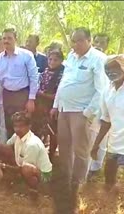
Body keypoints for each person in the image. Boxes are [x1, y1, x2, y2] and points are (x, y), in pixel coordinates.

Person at [50, 27, 107, 213]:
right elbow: (64, 82)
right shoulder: (72, 57)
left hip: (81, 112)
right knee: (64, 147)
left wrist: (88, 113)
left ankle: (78, 184)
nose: (74, 45)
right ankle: (66, 181)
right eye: (72, 41)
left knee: (81, 150)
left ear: (88, 40)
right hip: (65, 110)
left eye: (78, 41)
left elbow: (101, 90)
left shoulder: (98, 59)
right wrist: (56, 105)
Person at [0, 27, 39, 138]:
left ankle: (23, 154)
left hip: (22, 95)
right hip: (7, 95)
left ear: (15, 39)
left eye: (9, 38)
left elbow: (34, 78)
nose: (6, 41)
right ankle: (12, 154)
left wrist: (31, 99)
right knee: (10, 127)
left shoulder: (26, 56)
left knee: (23, 128)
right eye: (4, 38)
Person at [0, 112, 52, 193]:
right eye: (16, 126)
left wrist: (4, 166)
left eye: (21, 126)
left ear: (29, 126)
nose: (18, 129)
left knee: (26, 169)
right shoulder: (16, 135)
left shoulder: (32, 144)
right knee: (1, 147)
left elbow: (25, 168)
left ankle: (36, 188)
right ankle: (17, 179)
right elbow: (6, 147)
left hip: (44, 175)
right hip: (24, 165)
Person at [91, 54, 124, 193]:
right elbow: (106, 121)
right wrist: (96, 145)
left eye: (114, 69)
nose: (110, 73)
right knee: (108, 180)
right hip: (115, 144)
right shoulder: (107, 91)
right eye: (107, 70)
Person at [32, 50, 64, 162]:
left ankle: (51, 153)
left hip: (54, 106)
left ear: (61, 61)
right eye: (50, 59)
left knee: (53, 131)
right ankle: (39, 152)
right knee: (40, 129)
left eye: (55, 60)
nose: (52, 62)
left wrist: (43, 94)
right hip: (41, 105)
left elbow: (59, 94)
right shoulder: (45, 72)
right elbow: (38, 86)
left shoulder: (62, 74)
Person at [87, 33, 110, 181]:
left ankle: (96, 166)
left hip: (107, 103)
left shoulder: (110, 61)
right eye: (96, 41)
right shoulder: (92, 59)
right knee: (90, 135)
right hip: (92, 102)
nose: (98, 44)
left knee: (102, 136)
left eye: (102, 42)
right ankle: (88, 165)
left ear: (107, 45)